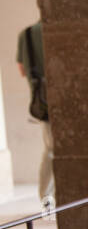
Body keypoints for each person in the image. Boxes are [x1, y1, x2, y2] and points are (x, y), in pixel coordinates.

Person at [16, 20, 54, 204]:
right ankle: (48, 199)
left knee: (50, 150)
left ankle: (47, 198)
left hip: (42, 101)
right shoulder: (57, 28)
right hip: (62, 96)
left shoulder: (27, 34)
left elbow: (22, 69)